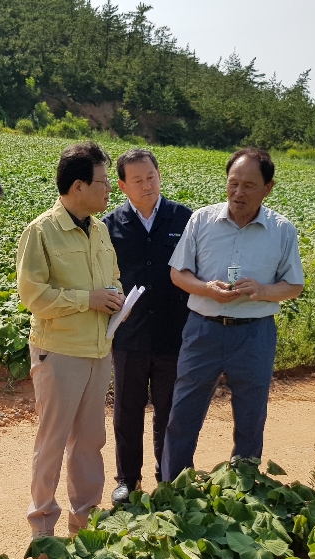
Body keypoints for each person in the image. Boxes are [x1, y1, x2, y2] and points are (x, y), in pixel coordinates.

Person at [162, 147, 304, 482]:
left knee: (251, 417)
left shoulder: (282, 231)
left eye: (249, 186)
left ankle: (242, 489)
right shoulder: (202, 220)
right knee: (183, 412)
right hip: (203, 330)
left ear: (268, 188)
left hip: (254, 334)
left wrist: (261, 290)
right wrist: (207, 289)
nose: (238, 192)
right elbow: (178, 274)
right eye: (233, 183)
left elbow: (293, 285)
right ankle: (173, 487)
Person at [17, 140, 123, 539]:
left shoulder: (99, 231)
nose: (109, 190)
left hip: (98, 350)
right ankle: (42, 531)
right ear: (78, 186)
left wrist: (116, 298)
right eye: (103, 182)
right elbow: (34, 296)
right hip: (59, 352)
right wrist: (88, 300)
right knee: (52, 442)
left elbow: (111, 280)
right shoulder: (42, 231)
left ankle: (85, 526)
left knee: (90, 442)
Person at [101, 149, 192, 503]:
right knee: (127, 410)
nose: (146, 185)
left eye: (150, 176)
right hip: (129, 333)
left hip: (173, 331)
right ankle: (127, 479)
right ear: (122, 185)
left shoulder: (183, 219)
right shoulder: (109, 227)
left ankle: (169, 475)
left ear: (158, 175)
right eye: (137, 180)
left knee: (170, 410)